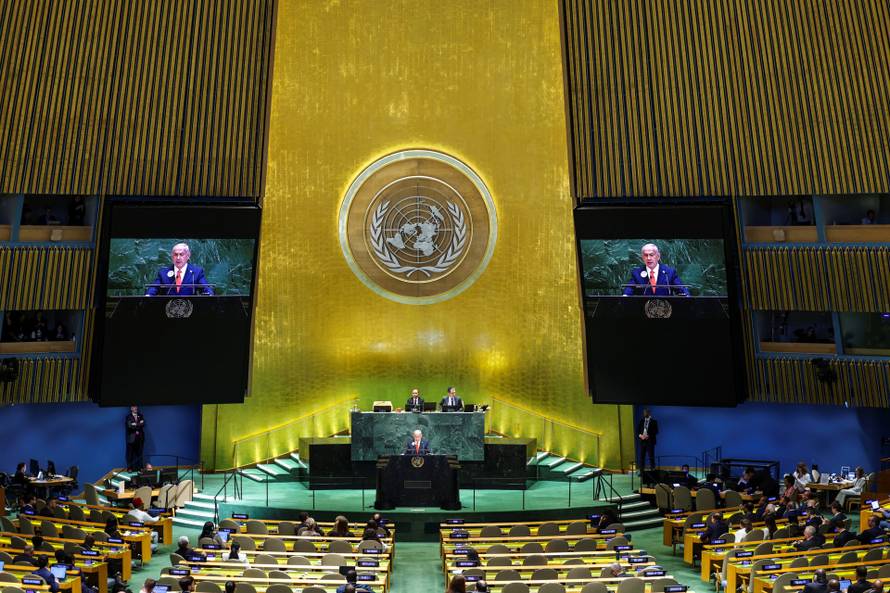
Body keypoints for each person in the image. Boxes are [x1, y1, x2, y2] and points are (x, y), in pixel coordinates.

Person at [145, 243, 213, 296]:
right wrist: (148, 295)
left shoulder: (196, 272)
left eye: (181, 254)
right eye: (175, 254)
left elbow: (206, 288)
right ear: (172, 256)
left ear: (188, 256)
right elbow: (154, 288)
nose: (178, 258)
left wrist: (209, 294)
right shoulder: (163, 273)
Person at [622, 243, 689, 297]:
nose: (648, 258)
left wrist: (686, 296)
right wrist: (625, 295)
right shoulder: (637, 273)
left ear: (658, 256)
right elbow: (629, 289)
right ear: (642, 257)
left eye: (651, 255)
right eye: (646, 255)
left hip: (665, 307)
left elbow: (681, 289)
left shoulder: (669, 272)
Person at [636, 408, 658, 476]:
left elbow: (656, 431)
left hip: (650, 442)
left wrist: (649, 436)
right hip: (643, 442)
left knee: (651, 457)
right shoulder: (641, 421)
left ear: (649, 413)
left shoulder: (654, 421)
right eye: (644, 412)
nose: (644, 413)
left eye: (646, 412)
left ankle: (653, 472)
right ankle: (641, 472)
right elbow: (638, 431)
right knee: (642, 457)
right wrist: (640, 436)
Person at [125, 405, 146, 471]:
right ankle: (130, 468)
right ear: (131, 408)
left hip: (140, 438)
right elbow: (129, 426)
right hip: (132, 439)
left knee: (140, 454)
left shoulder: (141, 415)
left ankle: (140, 468)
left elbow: (143, 424)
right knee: (130, 454)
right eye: (134, 407)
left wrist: (135, 424)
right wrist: (138, 424)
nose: (136, 408)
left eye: (136, 407)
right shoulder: (128, 417)